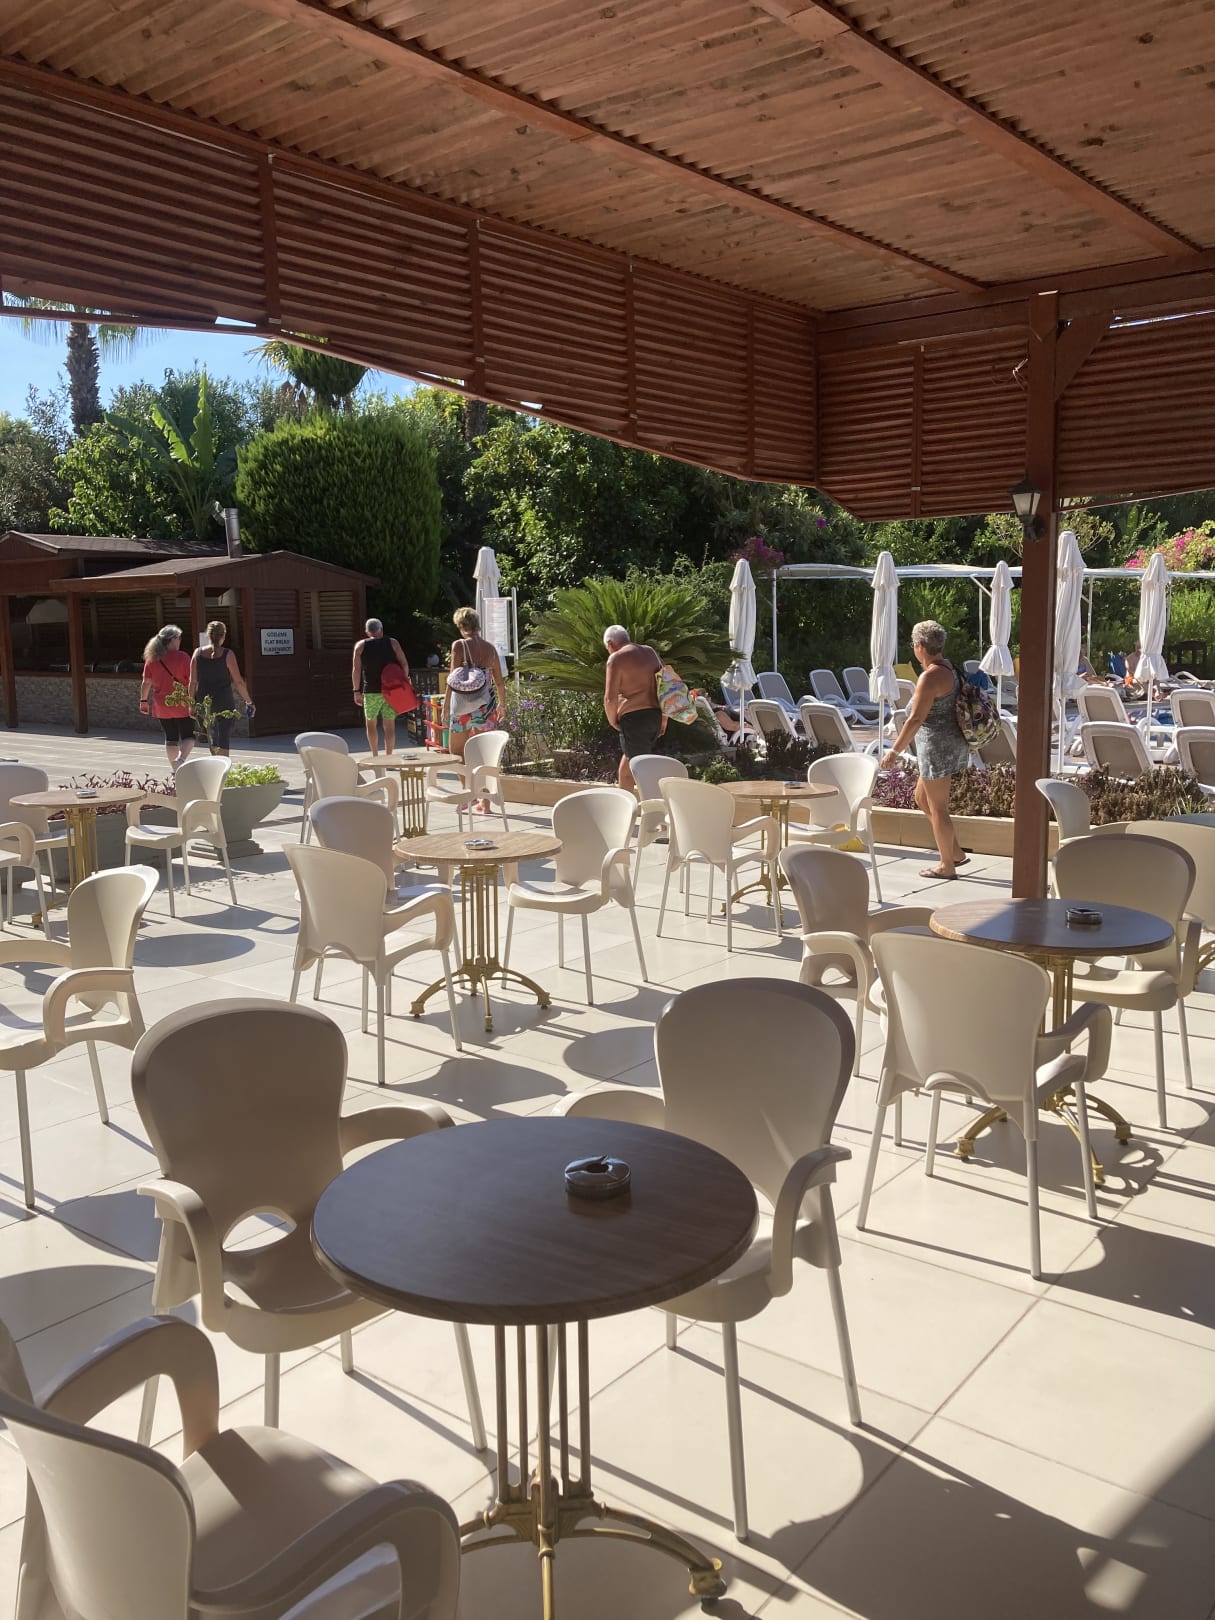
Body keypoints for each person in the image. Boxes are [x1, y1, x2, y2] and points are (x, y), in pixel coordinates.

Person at [881, 619, 970, 880]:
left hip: (936, 750)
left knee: (938, 807)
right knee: (921, 798)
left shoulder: (930, 677)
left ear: (920, 646)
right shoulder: (950, 668)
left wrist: (894, 751)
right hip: (949, 745)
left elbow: (915, 719)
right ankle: (955, 852)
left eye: (913, 644)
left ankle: (946, 865)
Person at [444, 607, 507, 813]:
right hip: (485, 706)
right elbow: (499, 682)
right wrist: (502, 705)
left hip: (462, 708)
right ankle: (485, 803)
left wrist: (446, 707)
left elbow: (452, 680)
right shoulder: (490, 648)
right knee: (484, 753)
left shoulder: (459, 645)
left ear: (461, 625)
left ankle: (468, 793)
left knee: (456, 751)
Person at [603, 624, 665, 794]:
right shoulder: (650, 652)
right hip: (655, 716)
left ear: (610, 644)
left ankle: (656, 810)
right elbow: (666, 686)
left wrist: (613, 721)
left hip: (634, 720)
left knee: (638, 772)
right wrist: (664, 719)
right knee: (627, 771)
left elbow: (610, 698)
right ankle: (628, 808)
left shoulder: (616, 658)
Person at [189, 621, 253, 757]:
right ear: (223, 636)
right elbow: (238, 681)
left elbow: (192, 682)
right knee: (223, 738)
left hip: (204, 702)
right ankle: (223, 765)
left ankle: (215, 763)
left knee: (212, 738)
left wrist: (191, 705)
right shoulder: (228, 654)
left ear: (208, 635)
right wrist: (249, 701)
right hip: (224, 701)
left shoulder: (197, 653)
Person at [140, 624, 194, 770]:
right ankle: (181, 760)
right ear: (172, 639)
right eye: (179, 638)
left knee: (170, 738)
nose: (180, 640)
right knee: (189, 736)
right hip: (182, 702)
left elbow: (146, 682)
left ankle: (175, 770)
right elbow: (192, 680)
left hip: (162, 705)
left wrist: (143, 700)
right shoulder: (183, 657)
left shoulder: (152, 659)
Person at [353, 618, 410, 757]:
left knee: (371, 724)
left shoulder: (360, 646)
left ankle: (375, 756)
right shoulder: (393, 643)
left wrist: (356, 691)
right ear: (381, 630)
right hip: (391, 690)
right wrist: (404, 682)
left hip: (371, 691)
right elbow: (404, 663)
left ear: (367, 632)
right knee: (389, 726)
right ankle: (389, 757)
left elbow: (356, 669)